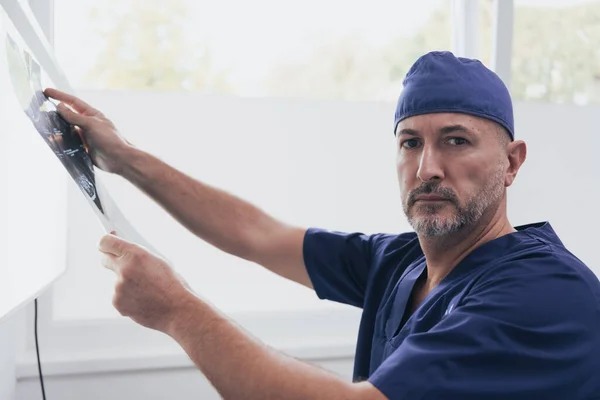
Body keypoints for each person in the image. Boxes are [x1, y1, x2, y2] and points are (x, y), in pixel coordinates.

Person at [45, 51, 600, 399]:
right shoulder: (403, 262)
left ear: (512, 162)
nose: (428, 167)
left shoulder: (545, 294)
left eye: (456, 140)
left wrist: (176, 309)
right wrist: (125, 159)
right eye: (411, 143)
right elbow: (258, 234)